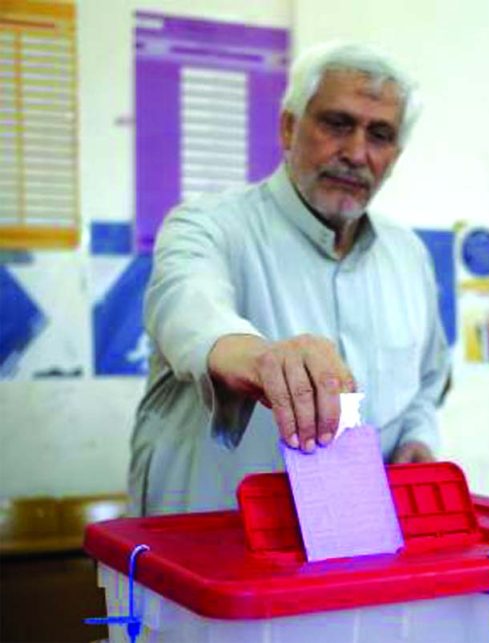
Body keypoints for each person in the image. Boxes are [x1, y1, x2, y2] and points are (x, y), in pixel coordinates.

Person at [128, 42, 451, 516]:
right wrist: (260, 358)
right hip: (207, 557)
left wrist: (418, 438)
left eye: (379, 134)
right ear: (288, 126)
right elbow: (187, 308)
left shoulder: (408, 255)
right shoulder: (207, 225)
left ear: (395, 155)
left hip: (355, 549)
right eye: (337, 124)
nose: (357, 153)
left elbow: (428, 381)